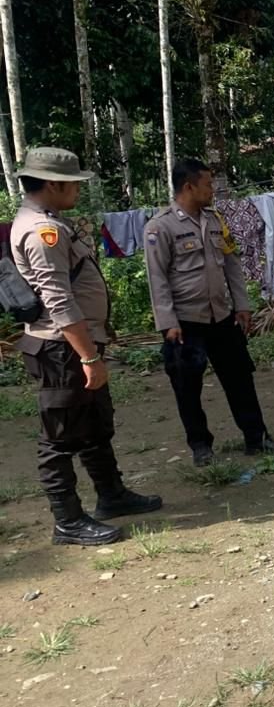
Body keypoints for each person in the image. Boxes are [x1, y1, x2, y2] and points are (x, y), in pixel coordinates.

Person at [9, 147, 162, 546]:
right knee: (58, 438)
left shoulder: (51, 222)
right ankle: (68, 522)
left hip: (76, 345)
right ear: (53, 184)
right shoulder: (43, 231)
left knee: (95, 424)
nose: (78, 190)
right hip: (62, 349)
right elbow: (59, 301)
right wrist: (88, 356)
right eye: (73, 183)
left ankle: (111, 494)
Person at [143, 159, 274, 467]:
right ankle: (200, 446)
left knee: (240, 379)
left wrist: (242, 305)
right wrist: (167, 323)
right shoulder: (160, 227)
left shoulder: (215, 220)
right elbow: (157, 278)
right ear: (189, 187)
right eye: (208, 184)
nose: (213, 190)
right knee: (187, 387)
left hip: (221, 317)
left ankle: (257, 437)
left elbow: (232, 264)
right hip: (185, 322)